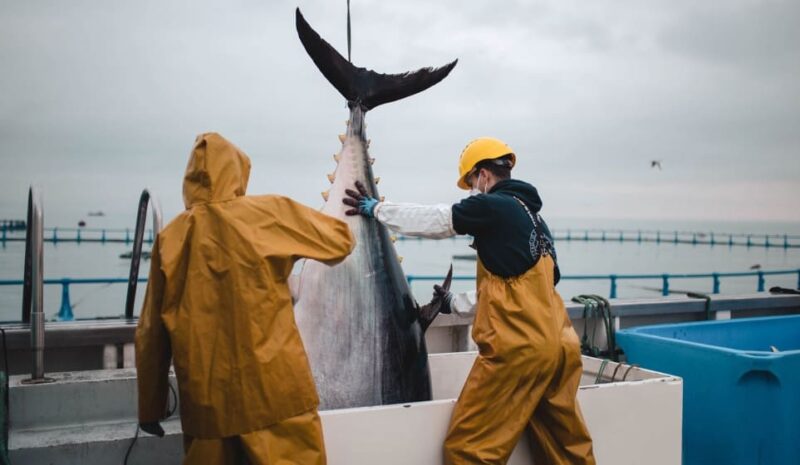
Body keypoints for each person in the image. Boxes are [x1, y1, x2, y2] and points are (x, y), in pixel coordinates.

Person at [343, 137, 596, 465]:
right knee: (566, 448)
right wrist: (452, 304)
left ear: (484, 176)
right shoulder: (536, 221)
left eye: (471, 184)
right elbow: (520, 292)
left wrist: (377, 209)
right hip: (561, 349)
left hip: (518, 352)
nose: (471, 193)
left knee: (468, 450)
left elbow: (438, 220)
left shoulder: (493, 206)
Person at [136, 133, 355, 465]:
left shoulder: (169, 239)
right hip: (279, 399)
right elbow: (341, 242)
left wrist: (150, 408)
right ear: (239, 173)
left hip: (207, 410)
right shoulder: (270, 213)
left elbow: (150, 333)